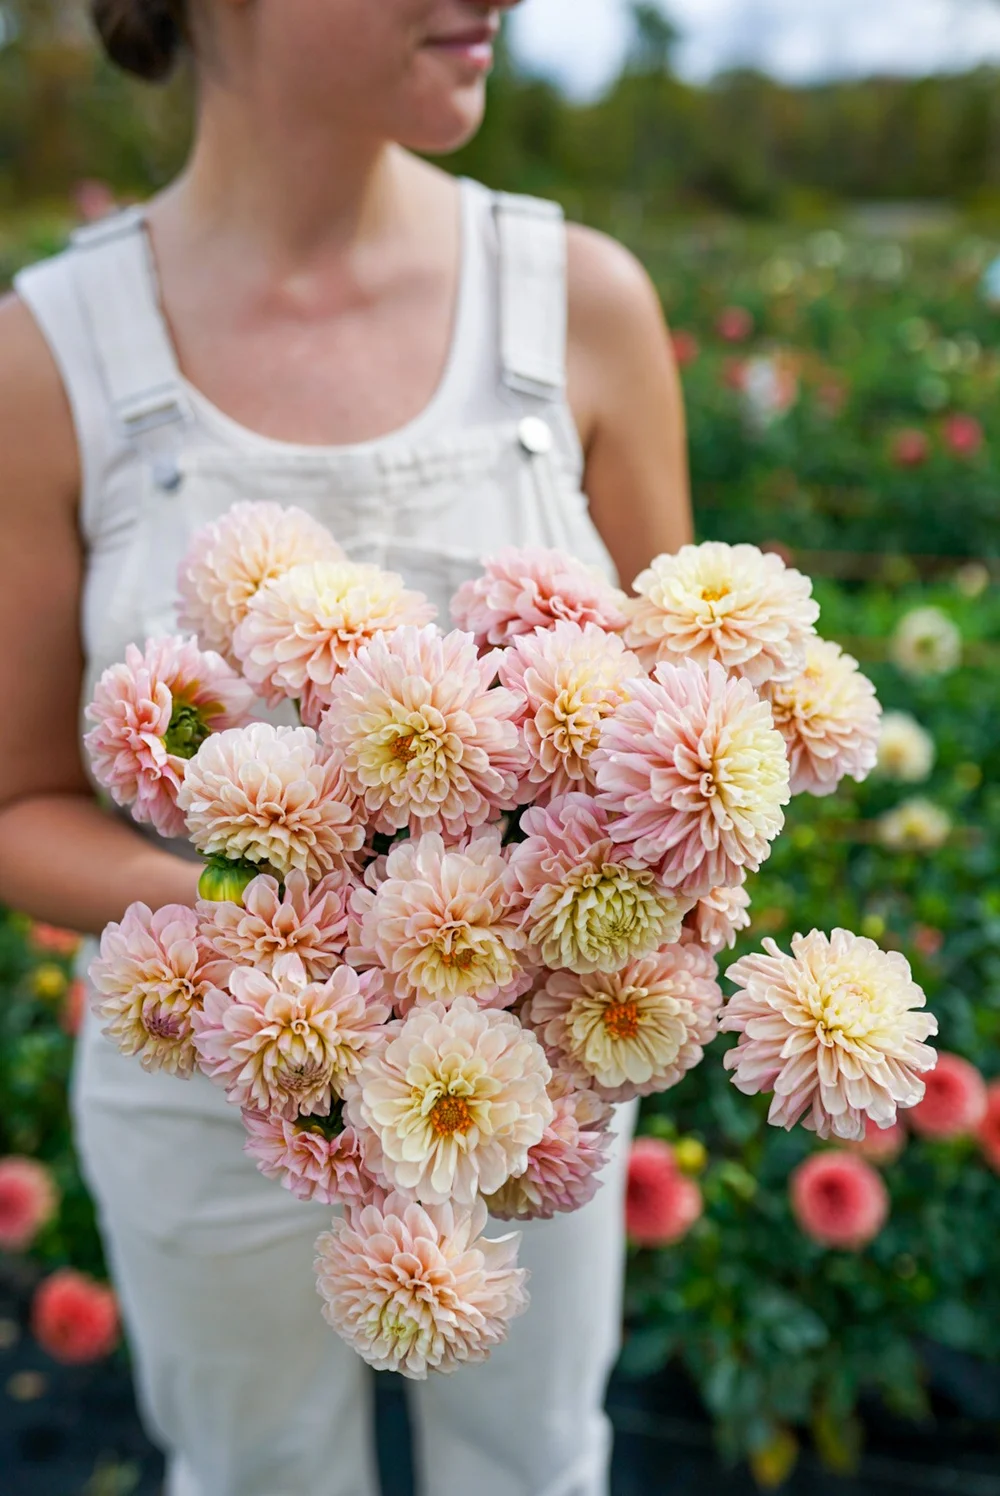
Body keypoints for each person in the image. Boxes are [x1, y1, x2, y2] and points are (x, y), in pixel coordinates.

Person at [0, 2, 692, 1493]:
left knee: (535, 1469)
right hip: (204, 1105)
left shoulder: (582, 301)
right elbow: (17, 804)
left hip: (533, 1089)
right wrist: (276, 937)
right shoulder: (45, 357)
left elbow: (684, 741)